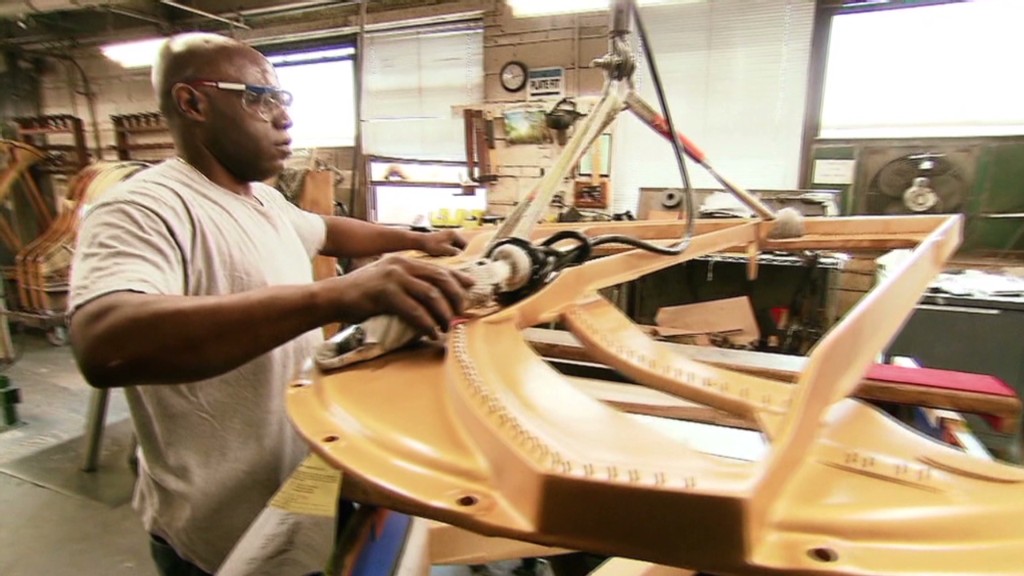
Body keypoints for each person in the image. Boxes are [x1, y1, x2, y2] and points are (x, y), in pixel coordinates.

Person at [68, 32, 473, 576]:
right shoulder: (145, 207)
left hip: (294, 479)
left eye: (283, 101)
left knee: (306, 558)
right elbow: (105, 342)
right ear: (193, 103)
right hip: (219, 528)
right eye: (259, 98)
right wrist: (331, 295)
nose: (282, 119)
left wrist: (417, 241)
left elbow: (328, 228)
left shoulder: (261, 200)